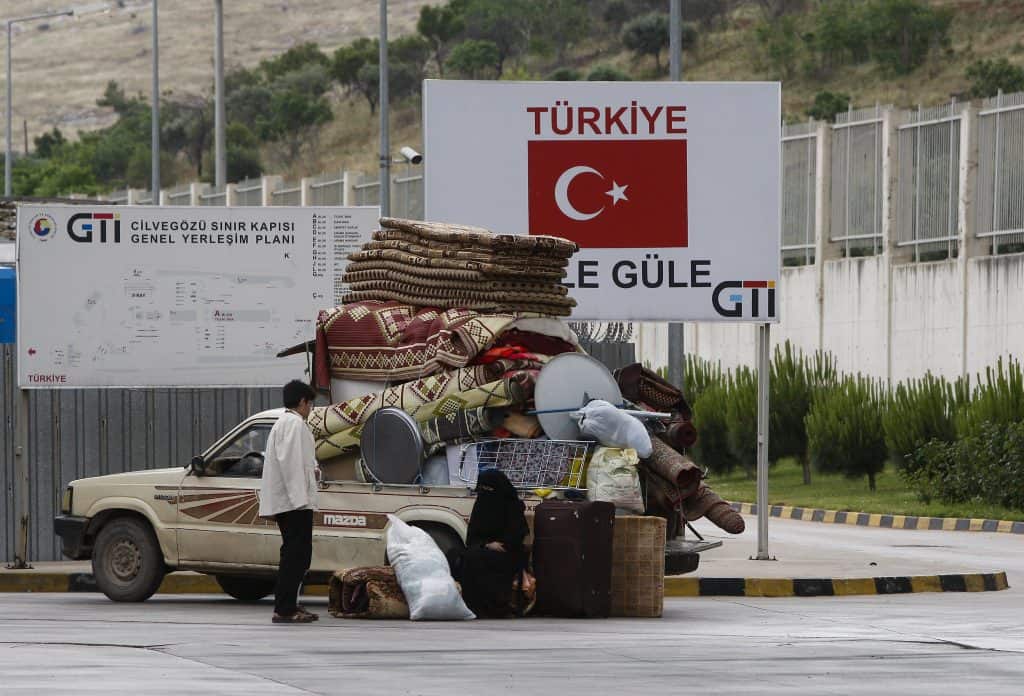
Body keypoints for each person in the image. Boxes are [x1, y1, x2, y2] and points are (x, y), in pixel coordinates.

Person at [259, 379, 321, 624]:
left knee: (297, 554)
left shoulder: (287, 423)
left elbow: (300, 462)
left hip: (294, 500)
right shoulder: (293, 424)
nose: (310, 409)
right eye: (310, 404)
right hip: (295, 503)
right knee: (296, 555)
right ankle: (284, 609)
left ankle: (290, 604)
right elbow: (291, 464)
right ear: (302, 401)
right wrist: (300, 501)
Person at [455, 468, 534, 618]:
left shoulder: (512, 506)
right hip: (484, 549)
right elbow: (471, 538)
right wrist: (486, 545)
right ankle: (469, 605)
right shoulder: (481, 505)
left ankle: (492, 608)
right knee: (458, 556)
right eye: (483, 489)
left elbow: (516, 537)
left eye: (489, 489)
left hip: (508, 552)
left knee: (477, 559)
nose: (485, 492)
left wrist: (498, 545)